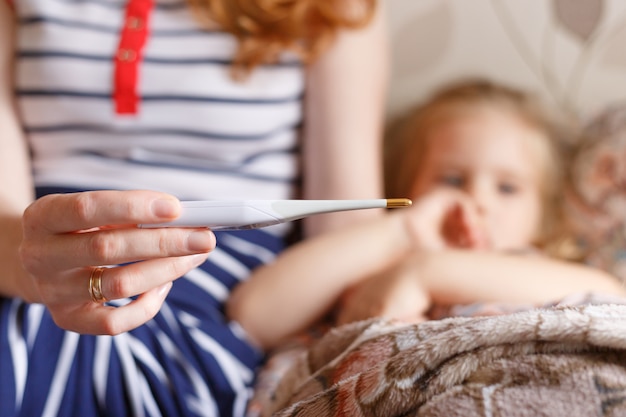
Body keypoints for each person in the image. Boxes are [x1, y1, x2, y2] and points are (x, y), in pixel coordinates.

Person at [0, 1, 388, 416]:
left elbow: (345, 229)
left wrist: (413, 241)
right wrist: (38, 269)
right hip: (29, 262)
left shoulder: (331, 9)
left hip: (213, 302)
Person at [227, 79, 626, 351]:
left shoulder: (537, 272)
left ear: (543, 216)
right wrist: (403, 231)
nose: (477, 200)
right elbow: (252, 316)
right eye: (452, 179)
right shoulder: (373, 257)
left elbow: (611, 297)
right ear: (405, 187)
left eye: (507, 187)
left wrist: (423, 274)